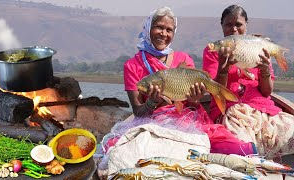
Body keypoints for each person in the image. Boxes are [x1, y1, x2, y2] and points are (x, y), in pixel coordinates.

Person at [121, 6, 256, 155]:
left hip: (188, 120)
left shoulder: (183, 59)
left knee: (237, 149)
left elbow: (193, 105)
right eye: (159, 27)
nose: (163, 34)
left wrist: (194, 100)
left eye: (169, 30)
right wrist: (152, 102)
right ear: (147, 28)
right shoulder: (132, 66)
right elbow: (138, 112)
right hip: (154, 123)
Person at [202, 4, 294, 160]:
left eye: (238, 24)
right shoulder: (214, 50)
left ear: (246, 25)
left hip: (263, 110)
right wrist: (224, 68)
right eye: (228, 25)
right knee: (241, 146)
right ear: (222, 26)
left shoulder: (256, 46)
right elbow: (215, 90)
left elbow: (267, 92)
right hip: (230, 112)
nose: (234, 29)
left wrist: (265, 69)